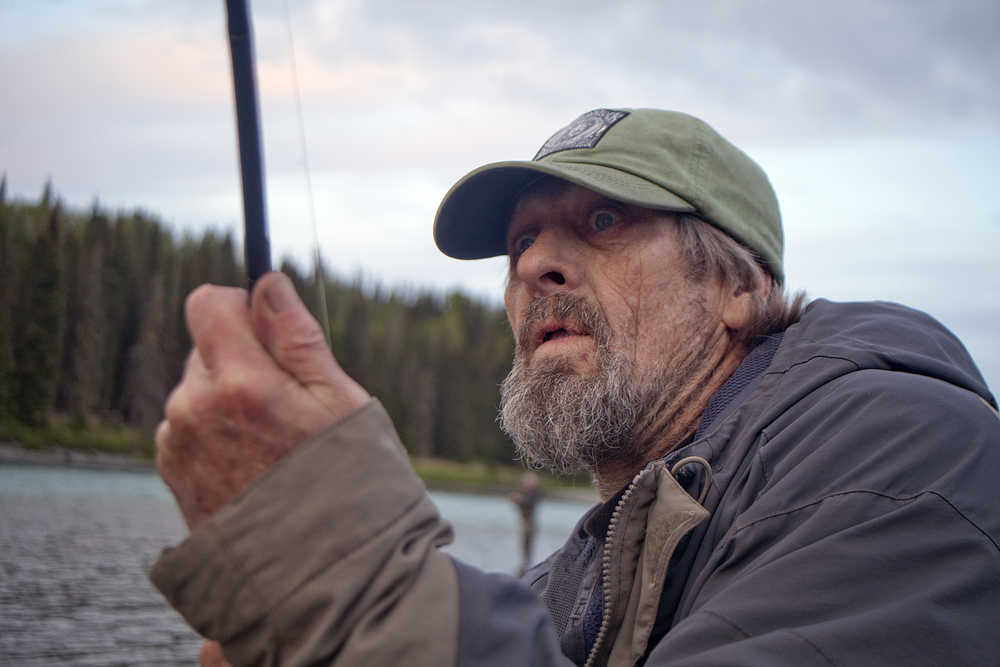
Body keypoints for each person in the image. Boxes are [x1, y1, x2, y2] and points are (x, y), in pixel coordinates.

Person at [151, 108, 1000, 666]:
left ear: (740, 290)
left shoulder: (909, 458)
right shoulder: (558, 589)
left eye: (603, 220)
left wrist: (334, 574)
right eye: (522, 240)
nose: (533, 265)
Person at [509, 471, 541, 575]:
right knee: (523, 546)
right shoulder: (526, 493)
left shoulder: (534, 493)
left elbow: (527, 503)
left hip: (529, 524)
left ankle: (526, 566)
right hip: (524, 523)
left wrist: (519, 500)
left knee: (527, 545)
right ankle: (524, 566)